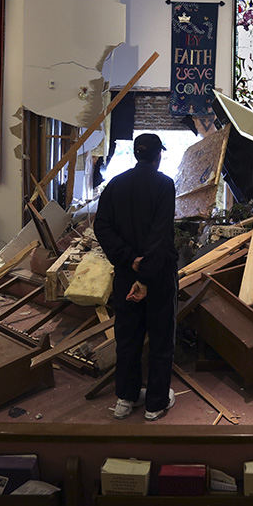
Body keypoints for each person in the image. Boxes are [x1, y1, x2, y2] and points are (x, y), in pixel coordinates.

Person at [94, 133, 179, 421]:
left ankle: (125, 399)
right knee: (160, 339)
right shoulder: (165, 185)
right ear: (157, 156)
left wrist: (129, 259)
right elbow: (160, 234)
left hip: (126, 275)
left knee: (127, 338)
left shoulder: (115, 185)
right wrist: (146, 272)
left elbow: (102, 227)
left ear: (135, 154)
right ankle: (155, 404)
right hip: (157, 278)